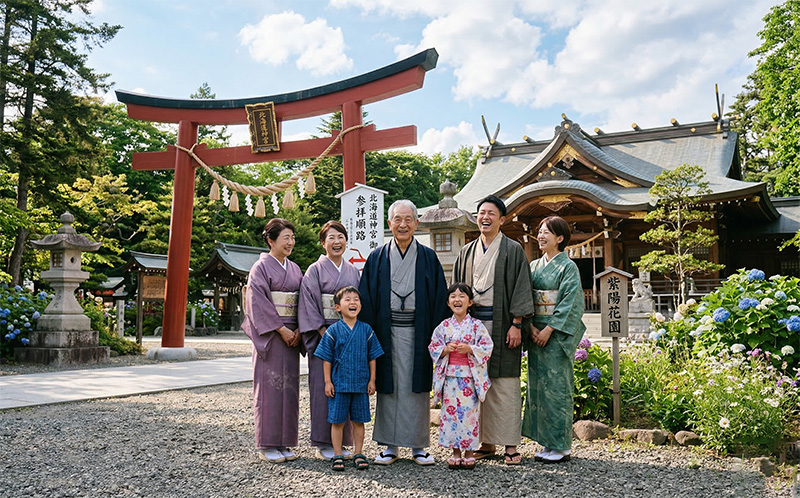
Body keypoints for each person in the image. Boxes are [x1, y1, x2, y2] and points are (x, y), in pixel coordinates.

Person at [359, 199, 448, 466]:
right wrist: (370, 337)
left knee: (416, 388)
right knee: (390, 388)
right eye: (398, 219)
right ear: (389, 223)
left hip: (419, 332)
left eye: (408, 219)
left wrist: (436, 336)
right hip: (386, 333)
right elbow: (367, 298)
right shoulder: (377, 257)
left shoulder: (428, 257)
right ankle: (390, 446)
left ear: (416, 223)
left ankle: (419, 446)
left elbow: (438, 297)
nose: (403, 224)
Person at [451, 195, 534, 465]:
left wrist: (517, 324)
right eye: (481, 212)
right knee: (474, 383)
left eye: (491, 213)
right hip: (472, 326)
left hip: (503, 325)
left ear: (502, 219)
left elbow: (522, 287)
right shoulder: (466, 252)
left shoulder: (512, 249)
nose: (485, 217)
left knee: (504, 383)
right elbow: (456, 292)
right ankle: (485, 443)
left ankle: (510, 444)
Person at [522, 215, 586, 463]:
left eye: (546, 231)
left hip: (555, 338)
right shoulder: (534, 266)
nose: (540, 235)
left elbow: (571, 302)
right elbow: (525, 298)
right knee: (539, 390)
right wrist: (530, 328)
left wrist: (549, 330)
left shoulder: (568, 267)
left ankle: (561, 446)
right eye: (539, 230)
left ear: (560, 238)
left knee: (558, 389)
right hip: (535, 333)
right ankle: (547, 443)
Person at [241, 218, 303, 463]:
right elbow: (257, 303)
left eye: (292, 237)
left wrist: (299, 328)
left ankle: (285, 441)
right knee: (269, 388)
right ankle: (267, 443)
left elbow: (304, 300)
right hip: (272, 336)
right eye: (285, 237)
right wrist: (281, 329)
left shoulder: (296, 269)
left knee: (289, 388)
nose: (291, 242)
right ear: (271, 240)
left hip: (292, 335)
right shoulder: (260, 268)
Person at [298, 221, 361, 460]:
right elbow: (309, 305)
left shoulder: (353, 271)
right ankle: (324, 440)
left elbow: (357, 304)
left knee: (347, 388)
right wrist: (327, 334)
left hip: (349, 336)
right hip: (324, 337)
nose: (337, 242)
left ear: (346, 241)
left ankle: (343, 441)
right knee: (323, 388)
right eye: (331, 238)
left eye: (341, 237)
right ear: (323, 243)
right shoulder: (314, 270)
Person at [314, 286, 384, 472]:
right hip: (339, 383)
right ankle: (337, 454)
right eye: (347, 299)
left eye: (356, 299)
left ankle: (358, 452)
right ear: (337, 307)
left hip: (361, 383)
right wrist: (328, 382)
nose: (353, 302)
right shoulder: (333, 331)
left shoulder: (366, 329)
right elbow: (326, 358)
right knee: (337, 421)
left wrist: (372, 380)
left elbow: (372, 357)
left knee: (359, 420)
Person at [429, 283, 493, 470]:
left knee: (469, 416)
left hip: (469, 378)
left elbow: (487, 347)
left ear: (470, 302)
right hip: (449, 377)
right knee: (450, 416)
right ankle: (455, 452)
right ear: (448, 303)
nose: (457, 299)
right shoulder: (443, 326)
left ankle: (469, 453)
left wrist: (470, 348)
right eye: (453, 296)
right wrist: (444, 350)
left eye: (462, 296)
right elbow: (433, 347)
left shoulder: (476, 326)